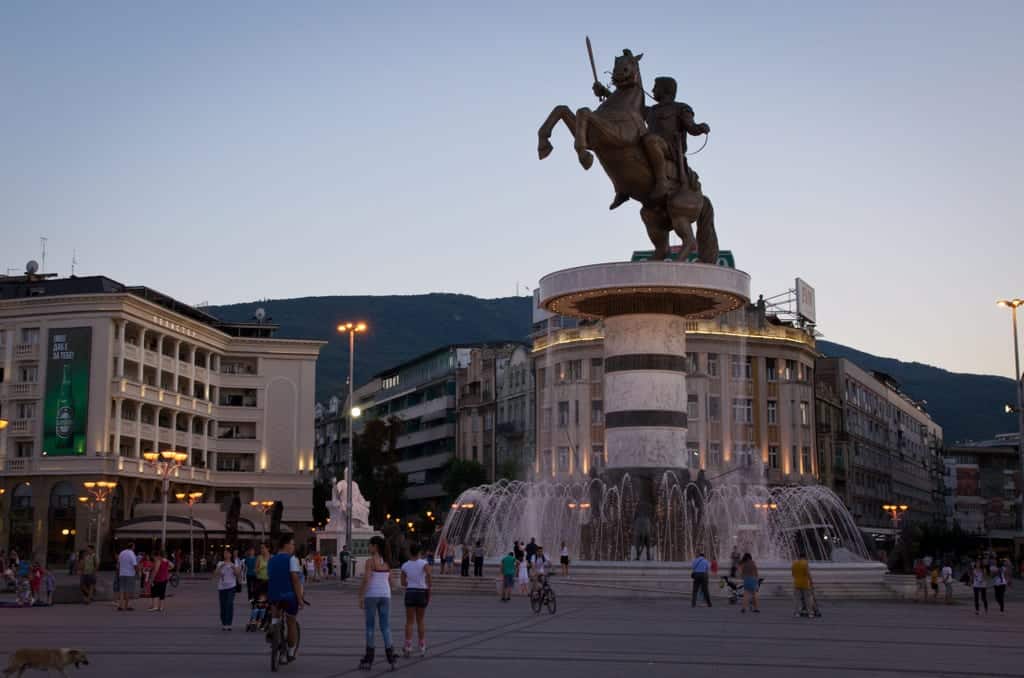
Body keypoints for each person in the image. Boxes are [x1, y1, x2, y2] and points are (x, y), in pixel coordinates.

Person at [358, 535, 396, 670]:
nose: (368, 547)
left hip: (372, 596)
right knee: (385, 626)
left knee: (370, 627)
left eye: (370, 545)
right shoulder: (387, 562)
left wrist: (361, 596)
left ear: (375, 546)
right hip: (385, 596)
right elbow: (391, 582)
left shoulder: (370, 562)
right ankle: (391, 656)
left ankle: (369, 657)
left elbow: (367, 580)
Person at [268, 534, 304, 663]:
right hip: (289, 595)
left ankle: (272, 628)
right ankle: (290, 652)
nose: (294, 547)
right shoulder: (292, 559)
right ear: (286, 545)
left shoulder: (271, 559)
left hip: (273, 595)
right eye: (293, 544)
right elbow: (295, 579)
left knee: (275, 616)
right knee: (291, 622)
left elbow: (270, 577)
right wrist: (299, 598)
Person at [401, 543, 432, 656]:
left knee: (409, 621)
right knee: (420, 620)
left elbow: (403, 583)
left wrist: (410, 582)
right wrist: (429, 588)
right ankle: (422, 645)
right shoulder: (424, 563)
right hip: (421, 592)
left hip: (410, 592)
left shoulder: (405, 565)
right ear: (419, 552)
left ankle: (408, 645)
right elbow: (429, 575)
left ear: (410, 552)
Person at [215, 548, 240, 630]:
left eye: (227, 553)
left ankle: (229, 623)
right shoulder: (220, 563)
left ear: (230, 554)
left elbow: (237, 574)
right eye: (224, 553)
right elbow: (215, 573)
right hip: (222, 587)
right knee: (223, 605)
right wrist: (221, 567)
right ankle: (224, 623)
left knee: (229, 604)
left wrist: (233, 567)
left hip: (231, 587)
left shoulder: (234, 563)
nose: (226, 555)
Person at [791, 551, 820, 617]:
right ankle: (810, 613)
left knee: (797, 600)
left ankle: (797, 613)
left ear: (799, 557)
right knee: (808, 599)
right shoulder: (805, 563)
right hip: (805, 583)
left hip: (796, 583)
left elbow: (793, 574)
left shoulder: (794, 563)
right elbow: (808, 574)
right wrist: (811, 582)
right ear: (804, 557)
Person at [117, 542, 138, 611]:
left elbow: (118, 563)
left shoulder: (122, 553)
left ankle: (120, 605)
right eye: (134, 546)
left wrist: (119, 571)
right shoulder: (132, 554)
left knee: (122, 589)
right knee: (128, 590)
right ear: (132, 547)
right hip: (130, 574)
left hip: (121, 573)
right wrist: (137, 572)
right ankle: (127, 605)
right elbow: (135, 564)